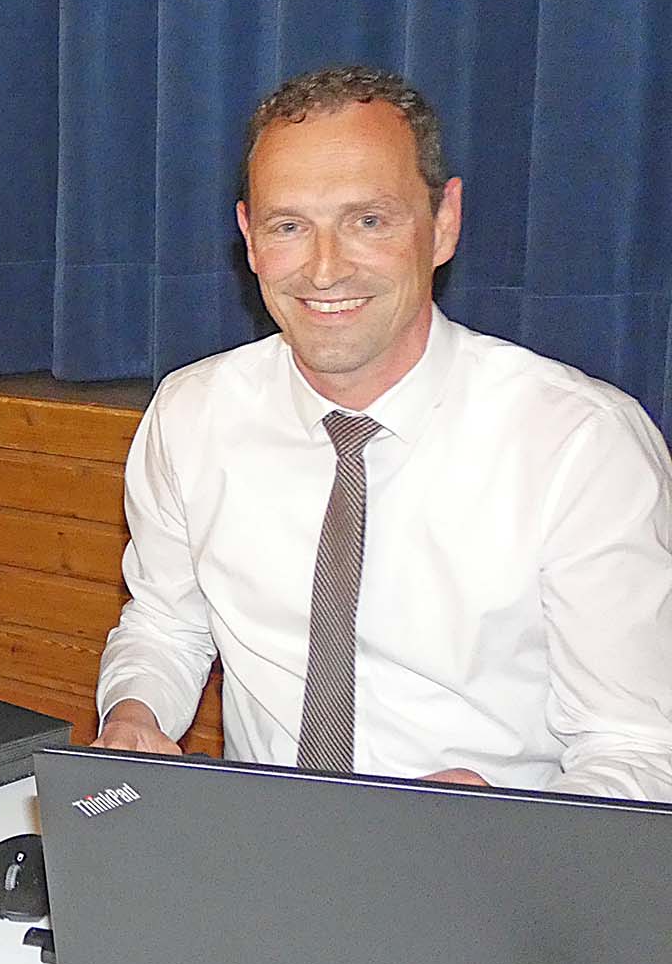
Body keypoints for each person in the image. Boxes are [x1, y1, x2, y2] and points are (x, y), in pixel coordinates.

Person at [93, 65, 672, 801]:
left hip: (499, 860)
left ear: (444, 222)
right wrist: (135, 713)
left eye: (367, 221)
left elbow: (637, 749)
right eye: (289, 226)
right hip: (259, 842)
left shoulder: (581, 446)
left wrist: (507, 824)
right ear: (249, 239)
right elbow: (165, 625)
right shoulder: (192, 414)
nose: (325, 270)